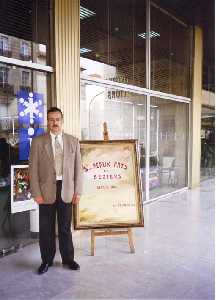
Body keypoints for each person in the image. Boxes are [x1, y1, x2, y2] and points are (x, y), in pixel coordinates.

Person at [29, 107, 83, 275]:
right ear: (48, 122)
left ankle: (68, 259)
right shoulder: (38, 142)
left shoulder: (73, 141)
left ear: (62, 120)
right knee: (46, 228)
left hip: (66, 190)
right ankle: (46, 260)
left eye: (57, 119)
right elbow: (33, 169)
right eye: (51, 120)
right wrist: (36, 193)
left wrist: (78, 192)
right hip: (45, 192)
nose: (54, 123)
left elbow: (78, 169)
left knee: (65, 228)